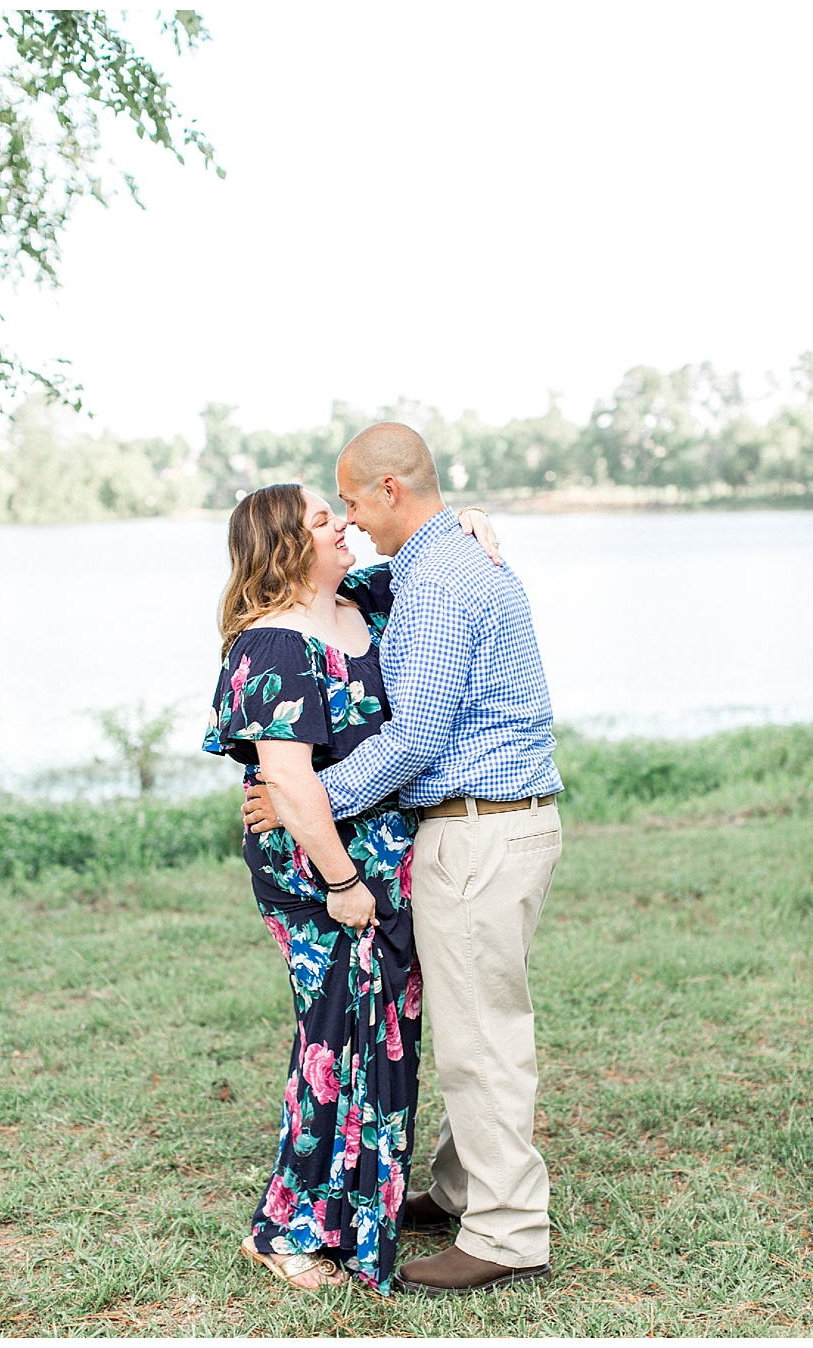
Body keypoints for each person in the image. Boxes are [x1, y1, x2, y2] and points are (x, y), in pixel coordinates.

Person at [246, 423, 566, 1297]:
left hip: (478, 826)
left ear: (390, 489)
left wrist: (305, 800)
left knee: (479, 1036)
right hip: (500, 823)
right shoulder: (437, 566)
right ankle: (465, 1187)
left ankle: (506, 1234)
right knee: (480, 1011)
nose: (348, 521)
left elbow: (415, 735)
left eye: (350, 501)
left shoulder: (438, 581)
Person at [205, 483, 501, 1295]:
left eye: (341, 514)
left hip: (386, 866)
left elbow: (427, 556)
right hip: (320, 876)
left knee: (387, 1047)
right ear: (287, 547)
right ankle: (287, 1230)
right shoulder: (270, 648)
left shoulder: (363, 601)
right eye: (324, 521)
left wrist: (467, 522)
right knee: (333, 1044)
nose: (345, 528)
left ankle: (361, 1215)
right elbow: (290, 784)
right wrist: (341, 881)